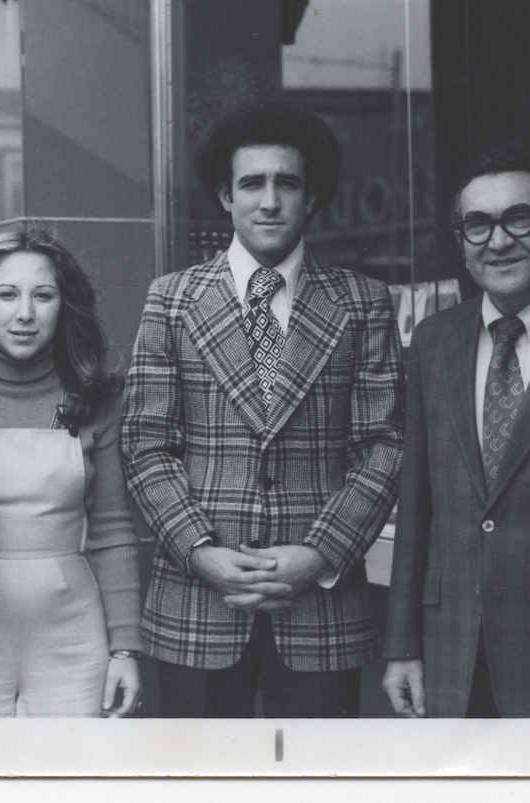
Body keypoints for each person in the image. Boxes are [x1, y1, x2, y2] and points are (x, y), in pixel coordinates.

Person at [121, 101, 404, 718]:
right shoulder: (171, 300)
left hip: (319, 604)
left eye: (287, 183)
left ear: (312, 195)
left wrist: (319, 555)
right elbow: (145, 443)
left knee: (314, 768)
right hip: (198, 601)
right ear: (226, 196)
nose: (269, 201)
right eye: (252, 183)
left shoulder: (363, 303)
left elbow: (383, 446)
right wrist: (201, 552)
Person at [382, 146, 530, 718]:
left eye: (520, 218)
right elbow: (417, 504)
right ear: (461, 242)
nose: (499, 241)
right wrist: (403, 646)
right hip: (450, 653)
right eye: (478, 225)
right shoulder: (434, 341)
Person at [0, 227, 143, 717]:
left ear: (65, 306)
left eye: (43, 296)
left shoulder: (97, 400)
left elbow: (113, 531)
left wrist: (125, 649)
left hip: (74, 639)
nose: (25, 314)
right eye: (7, 295)